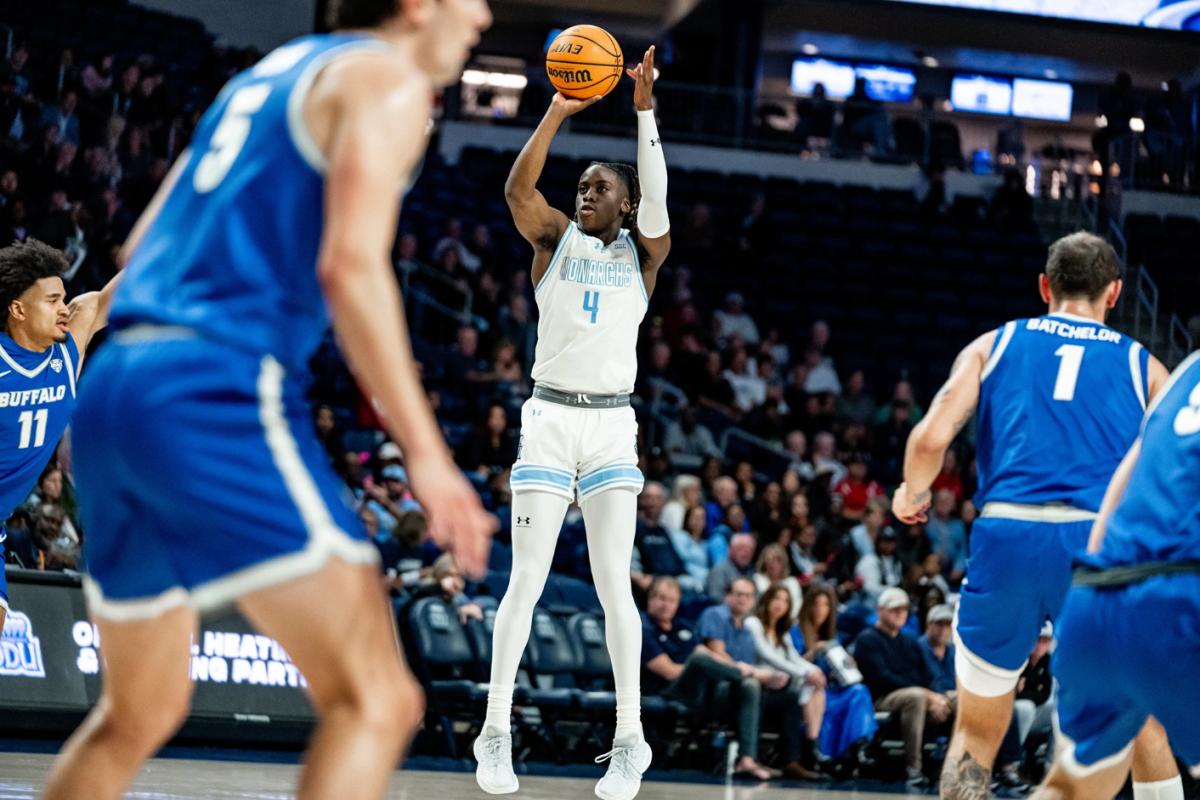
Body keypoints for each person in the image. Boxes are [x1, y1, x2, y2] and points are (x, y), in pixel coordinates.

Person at [47, 5, 498, 800]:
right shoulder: (388, 80)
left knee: (138, 709)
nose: (485, 13)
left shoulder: (269, 74)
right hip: (213, 387)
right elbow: (351, 267)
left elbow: (141, 247)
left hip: (118, 386)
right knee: (377, 699)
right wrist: (429, 459)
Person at [892, 231, 1175, 800]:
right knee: (1142, 717)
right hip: (1097, 542)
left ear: (1045, 286)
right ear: (1115, 294)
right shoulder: (1144, 364)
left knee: (974, 732)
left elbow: (928, 441)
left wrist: (911, 495)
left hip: (1008, 533)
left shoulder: (992, 344)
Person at [477, 47, 671, 800]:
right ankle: (495, 733)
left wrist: (644, 110)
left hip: (612, 428)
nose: (585, 193)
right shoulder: (553, 240)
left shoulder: (643, 258)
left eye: (599, 188)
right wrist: (558, 109)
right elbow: (515, 187)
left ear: (624, 207)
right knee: (523, 582)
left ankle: (630, 738)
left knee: (611, 585)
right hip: (550, 420)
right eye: (582, 186)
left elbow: (657, 204)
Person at [1029, 352, 1200, 800]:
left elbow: (1122, 485)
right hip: (1180, 594)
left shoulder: (1184, 373)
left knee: (1071, 788)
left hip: (1098, 597)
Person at [0, 240, 111, 635]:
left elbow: (112, 295)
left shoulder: (66, 352)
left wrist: (189, 219)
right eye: (52, 301)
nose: (65, 308)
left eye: (64, 298)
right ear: (17, 309)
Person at [640, 576, 778, 781]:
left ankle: (747, 760)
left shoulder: (683, 627)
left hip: (701, 691)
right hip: (669, 691)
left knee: (749, 686)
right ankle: (747, 672)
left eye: (671, 600)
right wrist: (706, 667)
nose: (666, 604)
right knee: (699, 659)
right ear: (650, 599)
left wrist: (724, 667)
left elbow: (710, 657)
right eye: (661, 598)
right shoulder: (643, 628)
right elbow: (668, 671)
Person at [853, 588, 956, 787]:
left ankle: (952, 765)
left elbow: (928, 675)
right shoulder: (868, 639)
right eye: (894, 609)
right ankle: (913, 768)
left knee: (959, 698)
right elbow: (882, 677)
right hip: (881, 700)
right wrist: (927, 695)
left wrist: (937, 698)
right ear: (880, 610)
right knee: (916, 696)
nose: (900, 613)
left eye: (903, 609)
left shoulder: (910, 640)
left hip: (916, 695)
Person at [745, 585, 830, 779]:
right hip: (757, 686)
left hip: (779, 686)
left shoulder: (782, 631)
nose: (779, 605)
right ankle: (807, 753)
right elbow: (769, 657)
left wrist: (813, 670)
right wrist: (803, 673)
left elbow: (794, 657)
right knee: (805, 685)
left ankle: (803, 753)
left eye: (784, 601)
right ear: (766, 600)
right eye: (776, 599)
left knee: (811, 688)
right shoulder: (753, 623)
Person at [794, 585, 878, 763]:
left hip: (830, 688)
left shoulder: (833, 638)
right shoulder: (796, 632)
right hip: (807, 689)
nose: (819, 610)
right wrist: (813, 651)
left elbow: (832, 673)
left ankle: (860, 747)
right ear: (807, 606)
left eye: (825, 605)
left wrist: (842, 668)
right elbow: (791, 664)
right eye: (815, 604)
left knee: (859, 690)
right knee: (824, 700)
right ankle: (824, 753)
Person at [751, 544, 801, 619]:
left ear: (783, 562)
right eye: (769, 559)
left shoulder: (792, 583)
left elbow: (796, 607)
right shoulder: (756, 580)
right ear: (763, 562)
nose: (772, 563)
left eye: (777, 559)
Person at [706, 532, 756, 603]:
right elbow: (715, 597)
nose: (746, 552)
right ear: (730, 549)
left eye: (750, 549)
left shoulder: (750, 573)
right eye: (742, 548)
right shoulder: (720, 569)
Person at [919, 604, 956, 695]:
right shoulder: (917, 648)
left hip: (952, 695)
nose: (943, 629)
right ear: (928, 624)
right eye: (939, 624)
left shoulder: (954, 651)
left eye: (947, 624)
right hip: (929, 696)